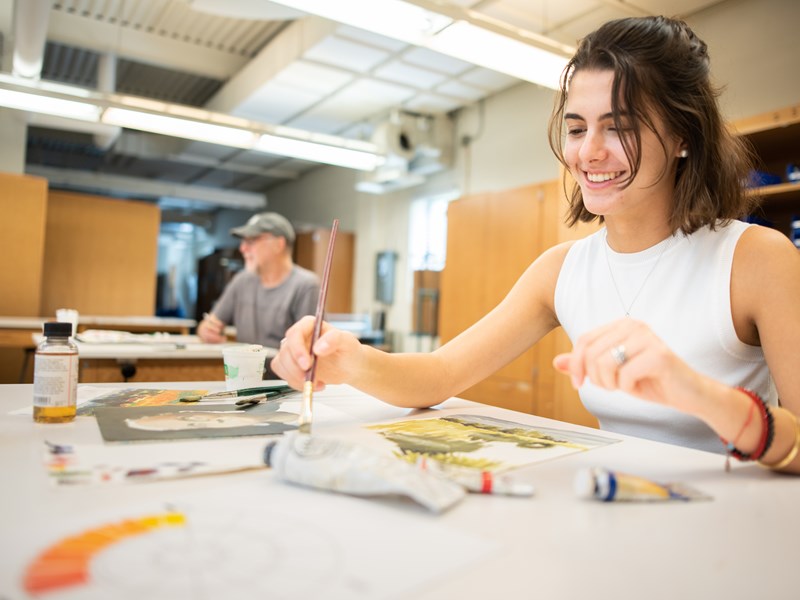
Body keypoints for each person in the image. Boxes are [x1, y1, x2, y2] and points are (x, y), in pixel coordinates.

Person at [271, 16, 800, 475]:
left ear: (684, 136)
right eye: (576, 128)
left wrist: (700, 394)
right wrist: (349, 359)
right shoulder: (561, 270)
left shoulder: (757, 259)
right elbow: (438, 375)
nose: (589, 152)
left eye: (618, 127)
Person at [197, 212, 320, 353]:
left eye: (251, 241)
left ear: (279, 244)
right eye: (243, 242)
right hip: (244, 373)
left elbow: (309, 349)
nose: (242, 248)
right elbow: (210, 323)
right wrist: (206, 330)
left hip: (281, 375)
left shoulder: (305, 286)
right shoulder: (241, 281)